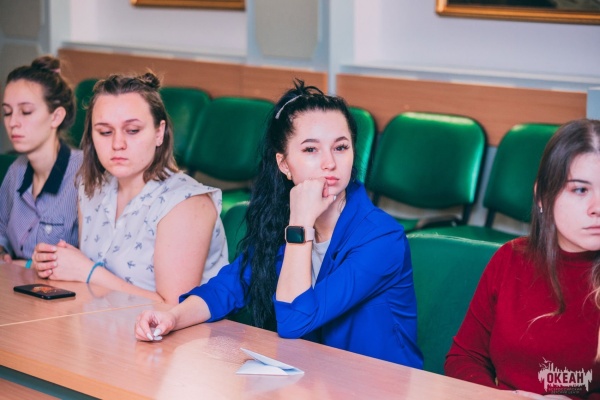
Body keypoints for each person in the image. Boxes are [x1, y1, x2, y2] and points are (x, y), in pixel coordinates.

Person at [134, 80, 423, 368]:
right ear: (284, 164)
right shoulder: (280, 219)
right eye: (311, 150)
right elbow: (227, 288)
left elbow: (295, 320)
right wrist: (172, 317)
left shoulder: (382, 238)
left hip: (379, 384)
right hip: (316, 377)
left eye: (341, 147)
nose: (330, 163)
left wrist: (300, 224)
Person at [31, 72, 228, 304]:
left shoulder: (186, 203)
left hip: (168, 328)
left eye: (132, 130)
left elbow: (175, 308)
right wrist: (52, 263)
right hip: (104, 323)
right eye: (105, 132)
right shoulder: (91, 187)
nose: (117, 144)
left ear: (159, 133)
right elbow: (88, 287)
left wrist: (88, 272)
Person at [445, 118, 600, 399]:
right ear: (542, 196)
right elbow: (464, 357)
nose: (597, 207)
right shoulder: (510, 259)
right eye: (580, 189)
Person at [0, 55, 82, 266]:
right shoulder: (16, 171)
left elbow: (91, 261)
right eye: (7, 112)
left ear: (56, 117)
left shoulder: (84, 175)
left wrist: (24, 265)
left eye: (26, 112)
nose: (13, 122)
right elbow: (1, 228)